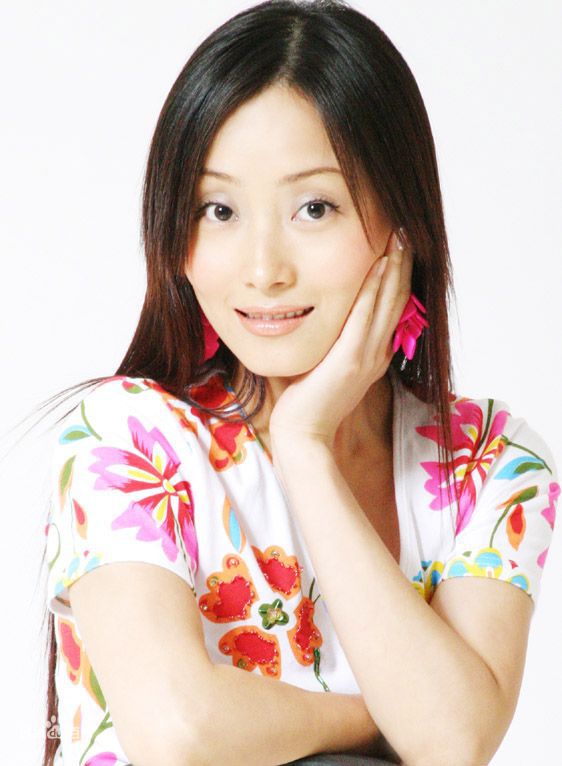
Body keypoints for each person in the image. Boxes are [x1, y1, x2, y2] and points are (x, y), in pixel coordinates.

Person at [38, 1, 558, 764]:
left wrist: (304, 446)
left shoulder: (487, 465)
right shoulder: (128, 441)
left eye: (314, 208)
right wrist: (378, 719)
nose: (263, 269)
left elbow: (453, 741)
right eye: (218, 209)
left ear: (403, 224)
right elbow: (180, 731)